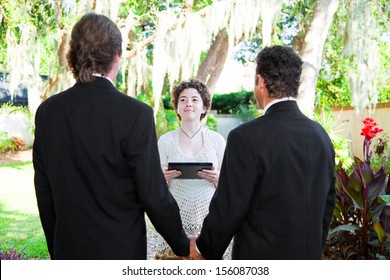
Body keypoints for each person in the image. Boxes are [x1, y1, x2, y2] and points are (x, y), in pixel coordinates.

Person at [33, 12, 189, 260]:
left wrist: (57, 251)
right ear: (117, 56)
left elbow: (45, 194)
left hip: (67, 251)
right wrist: (183, 245)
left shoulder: (47, 112)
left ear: (73, 55)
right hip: (119, 253)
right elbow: (153, 195)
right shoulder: (135, 114)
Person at [190, 45, 336, 260]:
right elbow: (327, 204)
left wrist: (204, 249)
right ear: (295, 83)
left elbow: (230, 207)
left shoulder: (245, 137)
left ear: (260, 81)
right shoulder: (321, 137)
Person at [155, 79, 226, 259]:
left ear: (204, 107)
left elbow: (229, 189)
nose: (188, 103)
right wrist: (162, 180)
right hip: (174, 224)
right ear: (177, 108)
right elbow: (156, 190)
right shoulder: (164, 141)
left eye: (195, 99)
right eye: (183, 99)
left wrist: (219, 179)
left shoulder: (217, 140)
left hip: (209, 223)